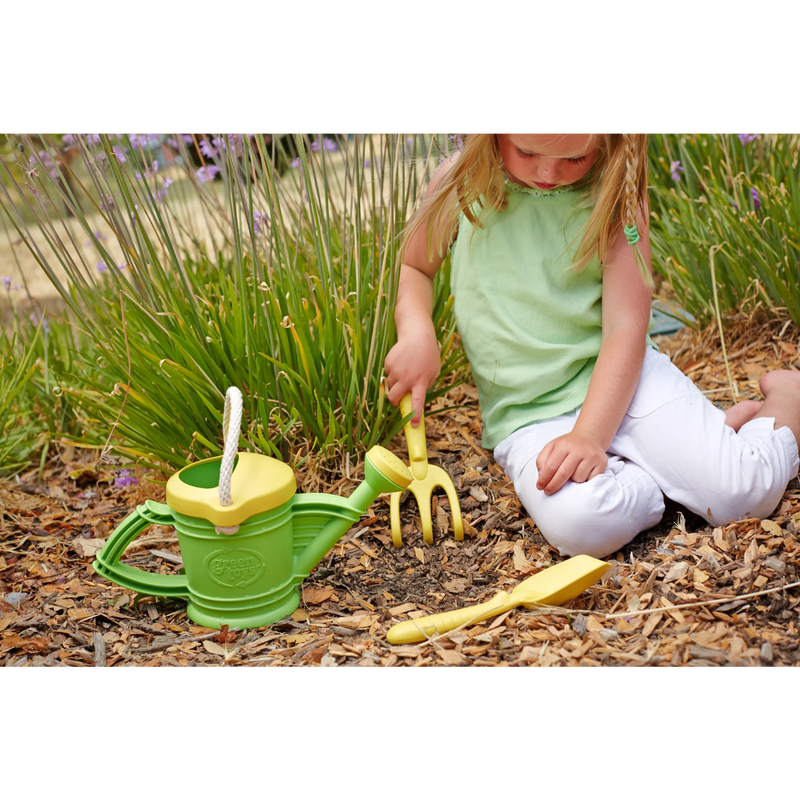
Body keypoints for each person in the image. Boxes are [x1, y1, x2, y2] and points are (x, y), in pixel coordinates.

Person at [384, 131, 800, 559]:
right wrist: (417, 332)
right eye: (526, 152)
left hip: (626, 383)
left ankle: (787, 398)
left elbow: (626, 328)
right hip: (528, 416)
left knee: (743, 495)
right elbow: (416, 267)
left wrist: (589, 436)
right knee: (582, 527)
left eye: (574, 158)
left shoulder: (615, 192)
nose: (548, 173)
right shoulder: (462, 182)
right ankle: (679, 466)